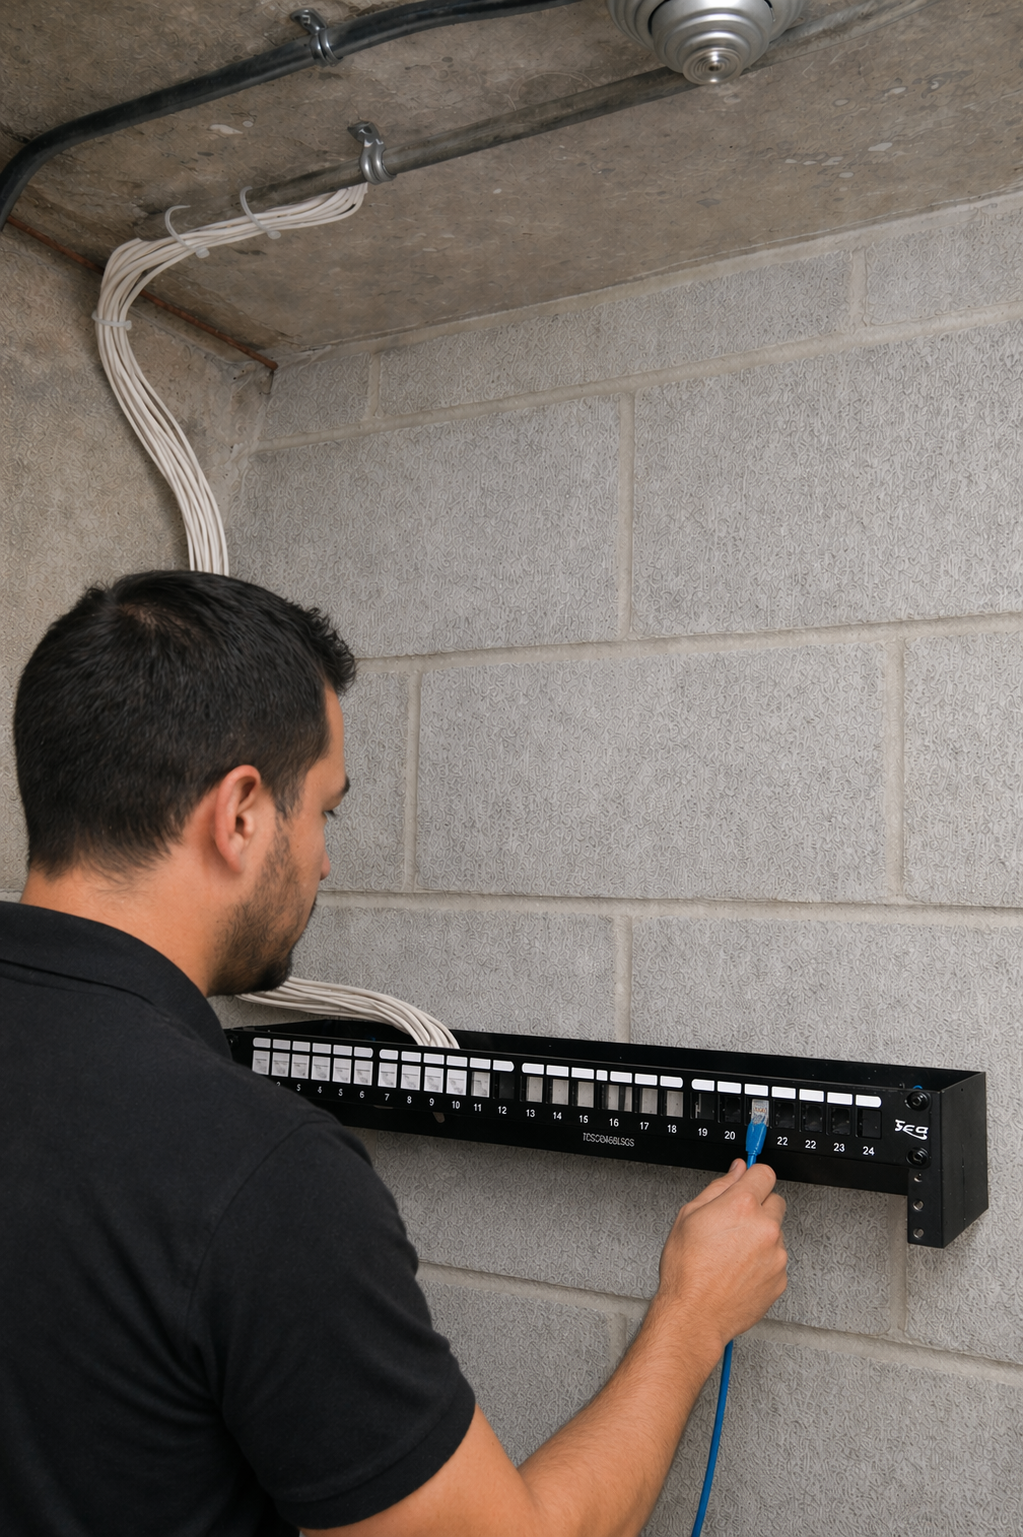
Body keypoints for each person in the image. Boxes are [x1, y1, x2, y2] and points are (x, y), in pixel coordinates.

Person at [1, 569, 787, 1537]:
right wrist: (691, 1320)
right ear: (242, 812)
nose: (325, 857)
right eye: (325, 809)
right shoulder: (257, 1173)